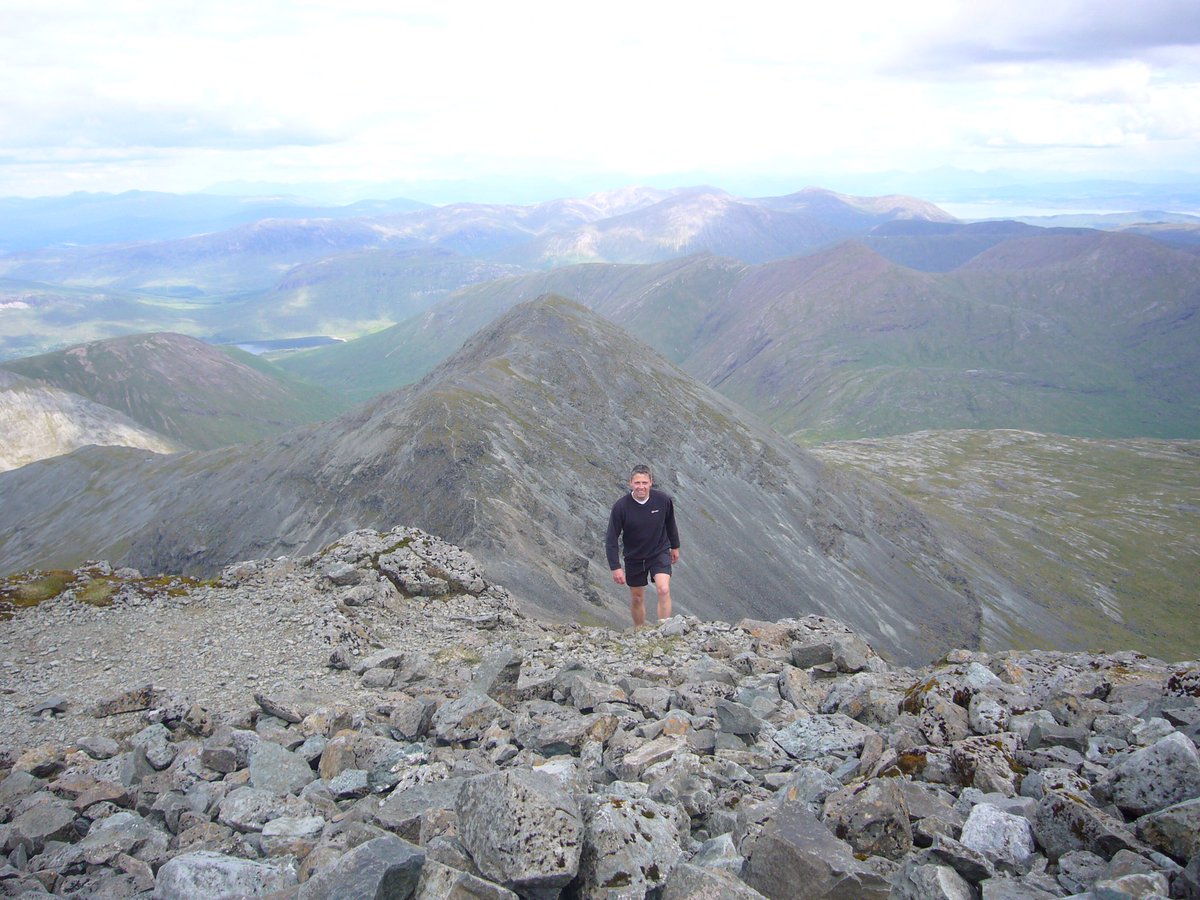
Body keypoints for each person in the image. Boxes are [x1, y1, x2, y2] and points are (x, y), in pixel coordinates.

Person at [605, 464, 680, 626]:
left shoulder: (663, 501)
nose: (641, 487)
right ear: (630, 483)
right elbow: (611, 537)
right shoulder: (621, 507)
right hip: (634, 557)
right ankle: (640, 631)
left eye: (644, 483)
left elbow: (670, 524)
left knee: (663, 589)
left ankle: (664, 629)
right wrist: (615, 567)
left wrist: (675, 546)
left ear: (651, 482)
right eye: (637, 483)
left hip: (659, 552)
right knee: (637, 598)